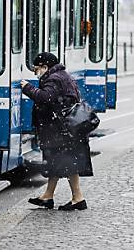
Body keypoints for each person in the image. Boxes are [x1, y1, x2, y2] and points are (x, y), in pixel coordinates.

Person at [20, 52, 93, 211]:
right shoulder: (62, 75)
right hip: (64, 129)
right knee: (58, 162)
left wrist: (28, 88)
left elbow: (45, 97)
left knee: (66, 163)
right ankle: (48, 196)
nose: (36, 72)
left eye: (37, 69)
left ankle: (78, 198)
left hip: (59, 130)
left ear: (45, 67)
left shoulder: (54, 79)